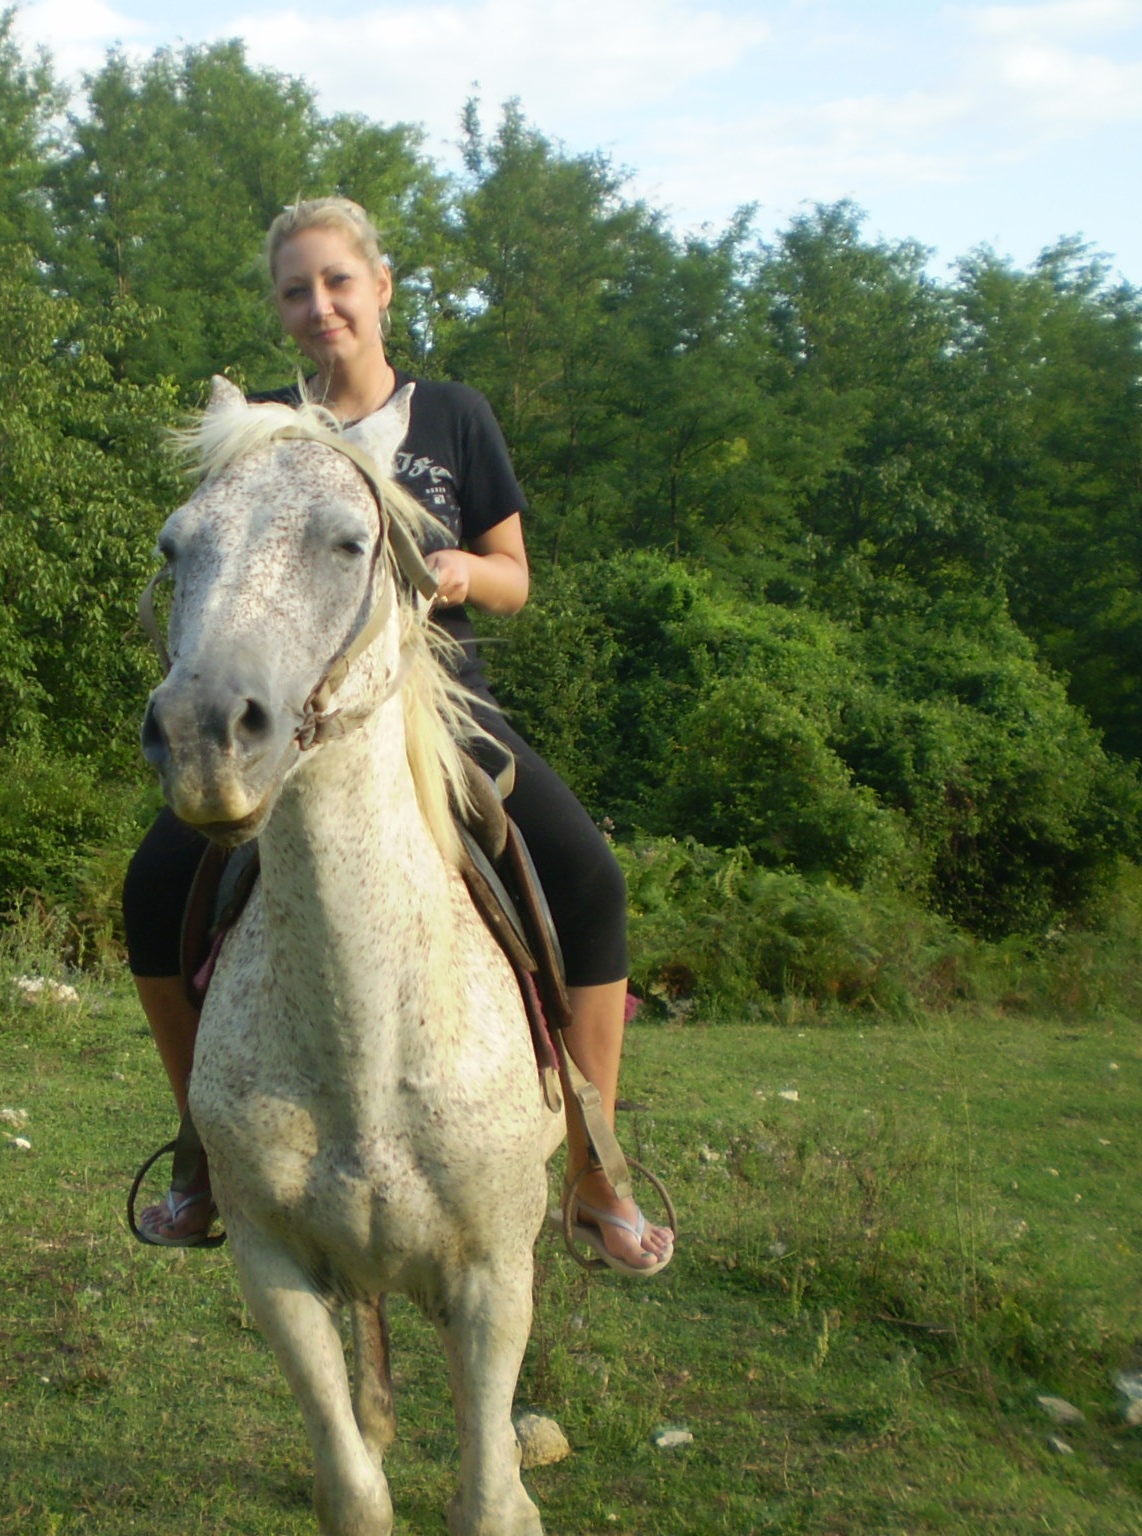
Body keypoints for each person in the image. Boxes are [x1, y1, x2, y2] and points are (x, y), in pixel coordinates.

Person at [123, 197, 673, 1274]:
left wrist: (464, 571)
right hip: (294, 720)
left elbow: (515, 578)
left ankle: (593, 1168)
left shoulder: (456, 416)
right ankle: (203, 1156)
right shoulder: (266, 432)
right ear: (279, 309)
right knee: (152, 887)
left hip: (439, 707)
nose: (318, 304)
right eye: (295, 290)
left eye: (337, 280)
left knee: (590, 880)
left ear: (379, 287)